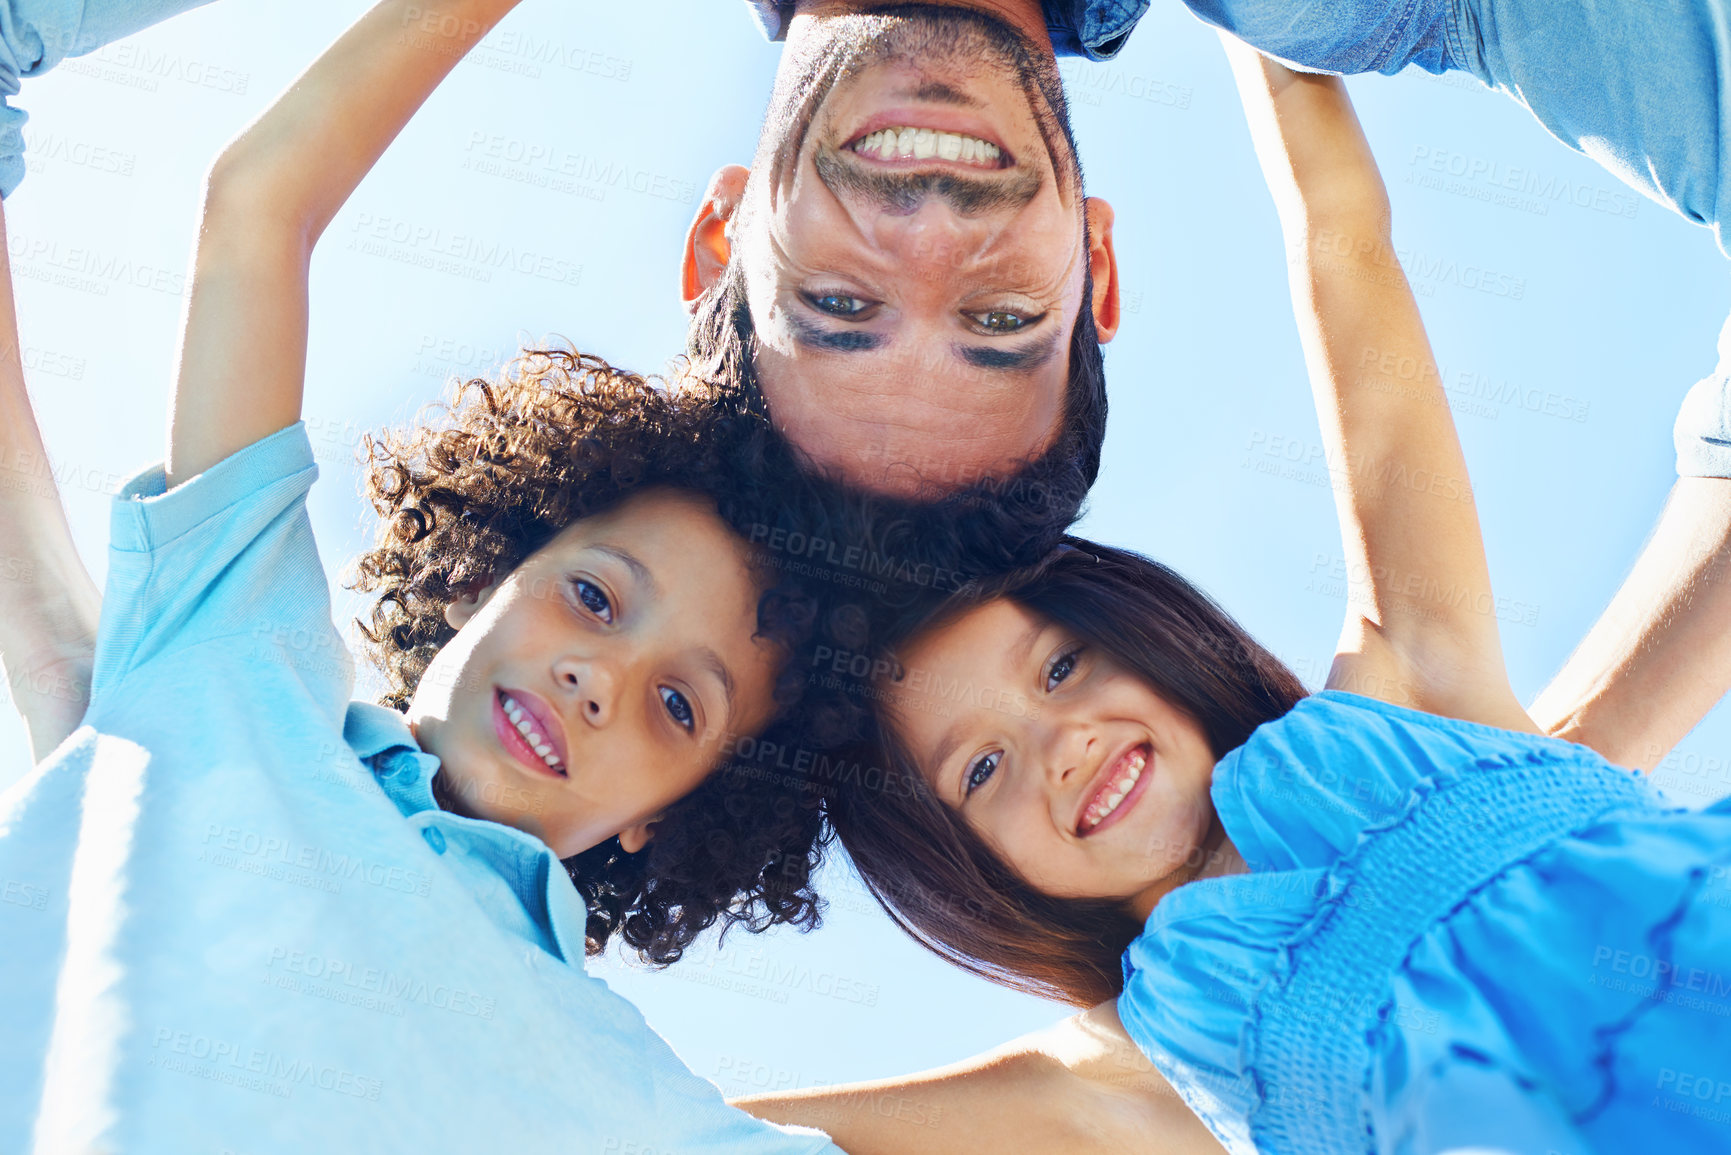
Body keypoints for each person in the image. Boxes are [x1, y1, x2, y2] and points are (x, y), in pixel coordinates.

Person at [731, 41, 1731, 1155]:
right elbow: (656, 1130)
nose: (1060, 743)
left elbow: (1341, 247)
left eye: (1060, 668)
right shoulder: (1144, 1065)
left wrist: (1263, 28)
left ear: (1145, 639)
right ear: (974, 878)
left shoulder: (1403, 698)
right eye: (982, 769)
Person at [0, 1, 863, 1148]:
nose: (597, 680)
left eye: (675, 705)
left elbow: (1115, 1103)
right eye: (595, 597)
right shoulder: (235, 653)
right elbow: (261, 204)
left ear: (668, 817)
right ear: (485, 577)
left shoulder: (636, 1100)